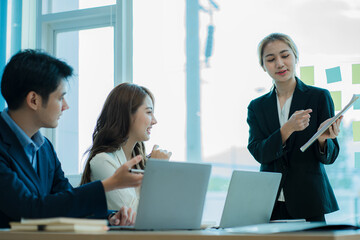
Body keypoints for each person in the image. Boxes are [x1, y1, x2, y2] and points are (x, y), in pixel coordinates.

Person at [0, 49, 143, 228]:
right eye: (60, 98)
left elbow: (65, 203)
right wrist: (109, 184)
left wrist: (111, 217)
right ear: (34, 100)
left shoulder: (44, 148)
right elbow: (29, 209)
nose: (66, 106)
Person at [247, 33, 342, 222]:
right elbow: (259, 152)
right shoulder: (257, 106)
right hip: (270, 202)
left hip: (309, 200)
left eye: (285, 55)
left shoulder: (319, 97)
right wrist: (286, 130)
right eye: (271, 59)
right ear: (263, 66)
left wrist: (322, 140)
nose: (280, 63)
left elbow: (330, 155)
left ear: (295, 57)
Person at [80, 83, 172, 211]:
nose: (154, 121)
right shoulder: (102, 161)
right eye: (149, 112)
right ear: (127, 114)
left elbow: (165, 207)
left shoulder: (141, 161)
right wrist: (157, 170)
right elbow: (136, 212)